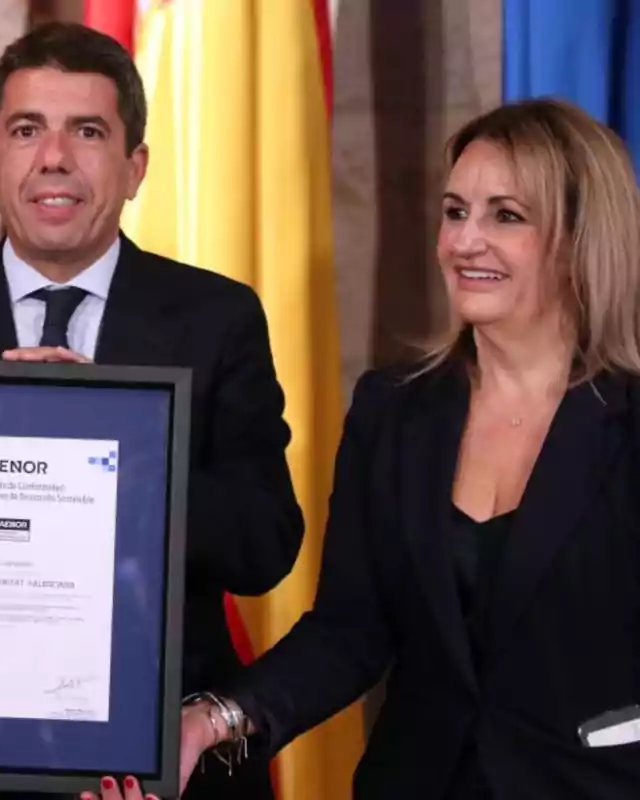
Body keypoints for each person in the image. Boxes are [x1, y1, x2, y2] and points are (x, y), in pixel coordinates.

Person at [97, 97, 640, 800]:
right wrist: (214, 718)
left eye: (506, 215)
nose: (465, 241)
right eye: (455, 211)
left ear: (579, 238)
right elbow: (349, 630)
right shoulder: (395, 409)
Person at [0, 22, 303, 800]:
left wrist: (122, 440)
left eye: (87, 131)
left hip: (159, 761)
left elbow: (265, 547)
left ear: (135, 168)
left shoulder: (217, 317)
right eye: (26, 130)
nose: (54, 158)